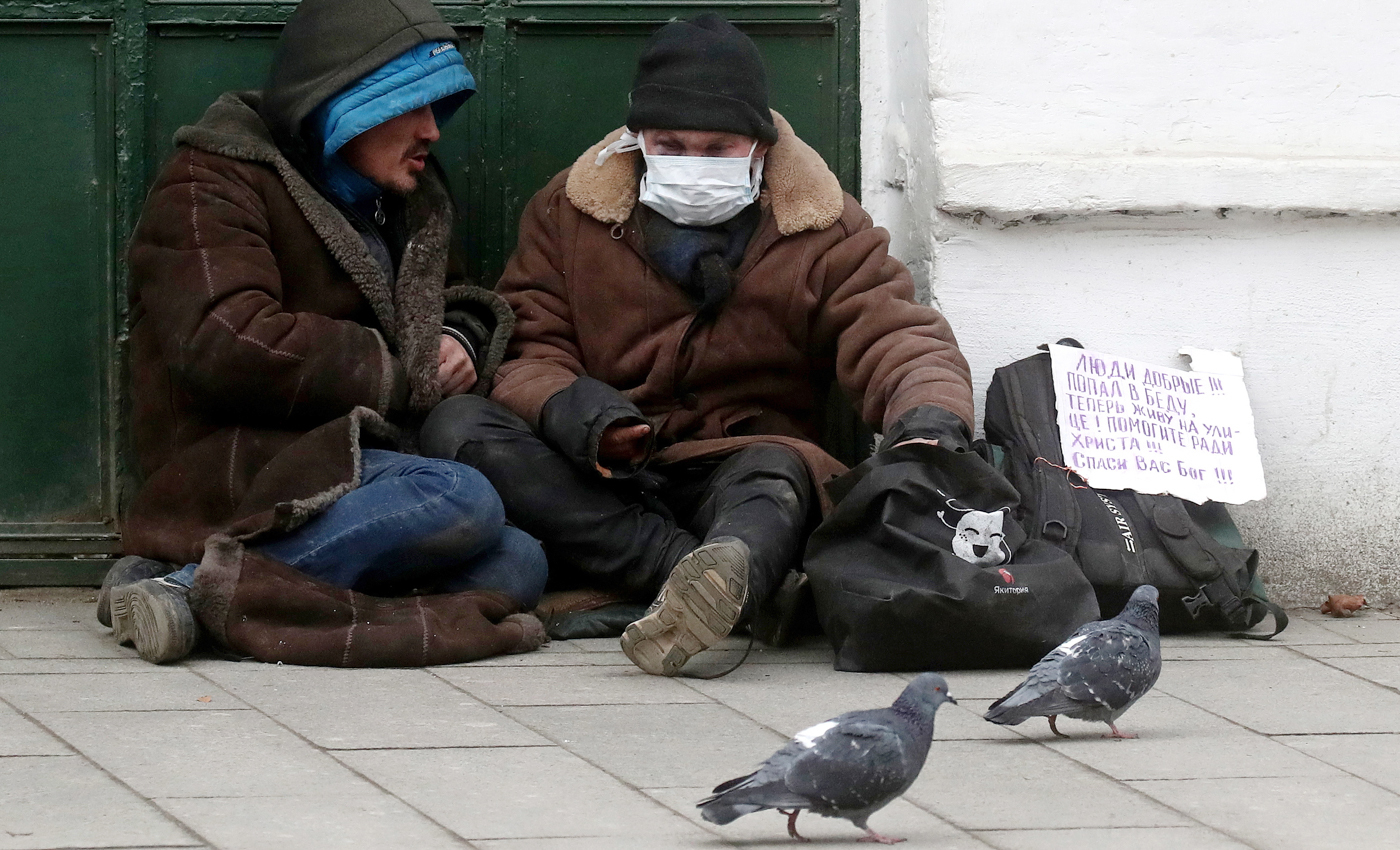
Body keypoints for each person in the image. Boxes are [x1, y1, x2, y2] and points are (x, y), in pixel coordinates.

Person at [421, 14, 974, 676]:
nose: (694, 163)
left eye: (718, 149)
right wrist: (580, 413)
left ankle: (725, 571)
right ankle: (700, 580)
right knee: (458, 425)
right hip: (602, 468)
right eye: (672, 143)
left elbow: (896, 333)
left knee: (777, 479)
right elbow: (530, 344)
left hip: (742, 462)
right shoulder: (567, 212)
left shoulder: (824, 227)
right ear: (639, 141)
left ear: (761, 148)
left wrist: (930, 421)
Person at [104, 0, 548, 665]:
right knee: (457, 496)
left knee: (519, 563)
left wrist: (456, 333)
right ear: (350, 99)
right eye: (415, 105)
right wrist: (403, 372)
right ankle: (191, 585)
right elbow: (227, 341)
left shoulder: (404, 196)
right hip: (239, 463)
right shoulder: (211, 182)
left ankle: (189, 595)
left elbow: (448, 299)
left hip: (360, 462)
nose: (433, 130)